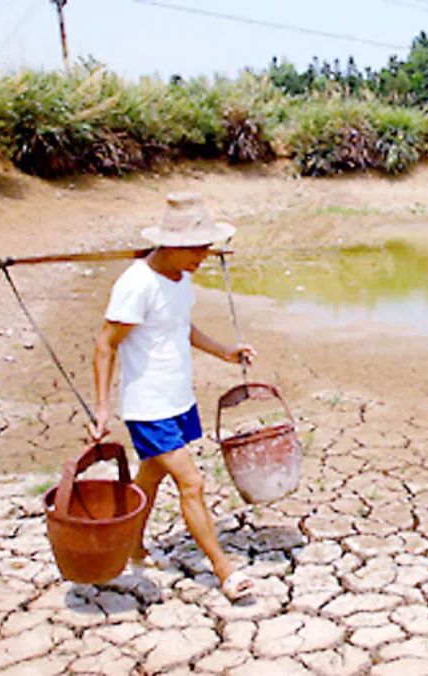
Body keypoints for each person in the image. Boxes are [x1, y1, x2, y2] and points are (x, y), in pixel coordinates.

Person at [89, 192, 257, 601]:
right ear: (171, 244)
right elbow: (105, 344)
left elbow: (180, 326)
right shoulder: (135, 284)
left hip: (178, 399)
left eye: (207, 246)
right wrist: (103, 407)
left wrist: (223, 351)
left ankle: (132, 545)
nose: (204, 255)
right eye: (197, 248)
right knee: (191, 481)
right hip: (148, 407)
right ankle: (225, 571)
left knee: (152, 475)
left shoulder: (181, 277)